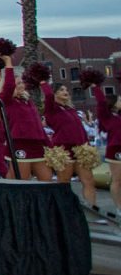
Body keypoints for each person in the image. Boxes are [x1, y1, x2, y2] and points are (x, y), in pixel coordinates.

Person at [41, 79, 97, 208]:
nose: (66, 92)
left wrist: (87, 144)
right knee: (64, 182)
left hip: (81, 148)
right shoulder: (51, 109)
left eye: (66, 90)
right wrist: (43, 82)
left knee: (89, 181)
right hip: (64, 150)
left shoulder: (71, 109)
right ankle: (66, 211)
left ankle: (93, 209)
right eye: (61, 90)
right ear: (54, 93)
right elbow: (48, 96)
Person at [0, 55, 51, 181]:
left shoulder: (28, 101)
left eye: (22, 83)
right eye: (18, 83)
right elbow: (9, 85)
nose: (21, 85)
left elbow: (38, 125)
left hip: (38, 145)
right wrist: (8, 62)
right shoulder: (6, 100)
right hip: (20, 144)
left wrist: (49, 144)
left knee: (47, 179)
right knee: (23, 180)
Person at [89, 78, 121, 219]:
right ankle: (119, 208)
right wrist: (96, 87)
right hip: (116, 150)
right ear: (113, 103)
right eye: (119, 99)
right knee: (117, 180)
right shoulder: (107, 116)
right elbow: (101, 103)